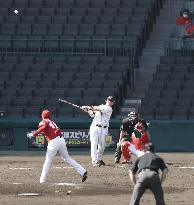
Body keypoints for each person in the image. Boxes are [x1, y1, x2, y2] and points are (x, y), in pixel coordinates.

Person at [27, 109, 87, 183]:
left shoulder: (44, 121)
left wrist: (33, 134)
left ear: (42, 116)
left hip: (53, 142)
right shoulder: (52, 122)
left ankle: (42, 180)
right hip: (61, 140)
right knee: (67, 158)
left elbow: (43, 126)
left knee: (48, 161)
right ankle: (82, 171)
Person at [81, 96, 114, 167]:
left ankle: (98, 158)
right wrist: (86, 109)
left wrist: (88, 107)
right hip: (94, 127)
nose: (110, 102)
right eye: (109, 100)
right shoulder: (100, 106)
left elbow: (97, 109)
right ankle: (94, 161)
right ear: (106, 100)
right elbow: (92, 114)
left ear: (113, 103)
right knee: (94, 144)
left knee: (102, 146)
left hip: (104, 129)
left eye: (111, 101)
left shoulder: (109, 109)